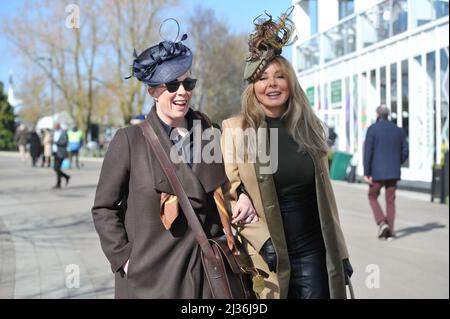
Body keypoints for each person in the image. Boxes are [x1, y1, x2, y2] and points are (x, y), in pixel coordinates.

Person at [221, 8, 352, 299]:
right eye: (263, 77)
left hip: (314, 255)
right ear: (252, 86)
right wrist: (261, 240)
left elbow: (327, 201)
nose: (271, 84)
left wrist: (340, 253)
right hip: (266, 257)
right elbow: (229, 192)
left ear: (290, 83)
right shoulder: (235, 130)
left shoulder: (310, 128)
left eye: (280, 76)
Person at [91, 32, 233, 298]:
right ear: (153, 91)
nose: (182, 92)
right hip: (151, 280)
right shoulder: (129, 140)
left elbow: (231, 184)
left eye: (188, 83)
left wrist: (244, 197)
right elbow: (104, 208)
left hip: (204, 276)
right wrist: (125, 259)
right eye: (172, 85)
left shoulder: (210, 133)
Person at [363, 105, 408, 240]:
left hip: (377, 173)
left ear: (377, 115)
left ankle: (382, 222)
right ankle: (391, 232)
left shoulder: (372, 129)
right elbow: (405, 151)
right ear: (388, 115)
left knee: (372, 196)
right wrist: (397, 163)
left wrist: (367, 172)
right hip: (393, 172)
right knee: (390, 200)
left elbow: (368, 152)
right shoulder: (398, 130)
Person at [52, 123, 70, 189]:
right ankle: (65, 177)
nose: (54, 127)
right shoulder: (54, 133)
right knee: (56, 168)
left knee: (56, 168)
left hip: (61, 152)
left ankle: (59, 182)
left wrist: (56, 142)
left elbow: (64, 142)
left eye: (56, 126)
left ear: (59, 126)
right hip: (55, 152)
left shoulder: (63, 133)